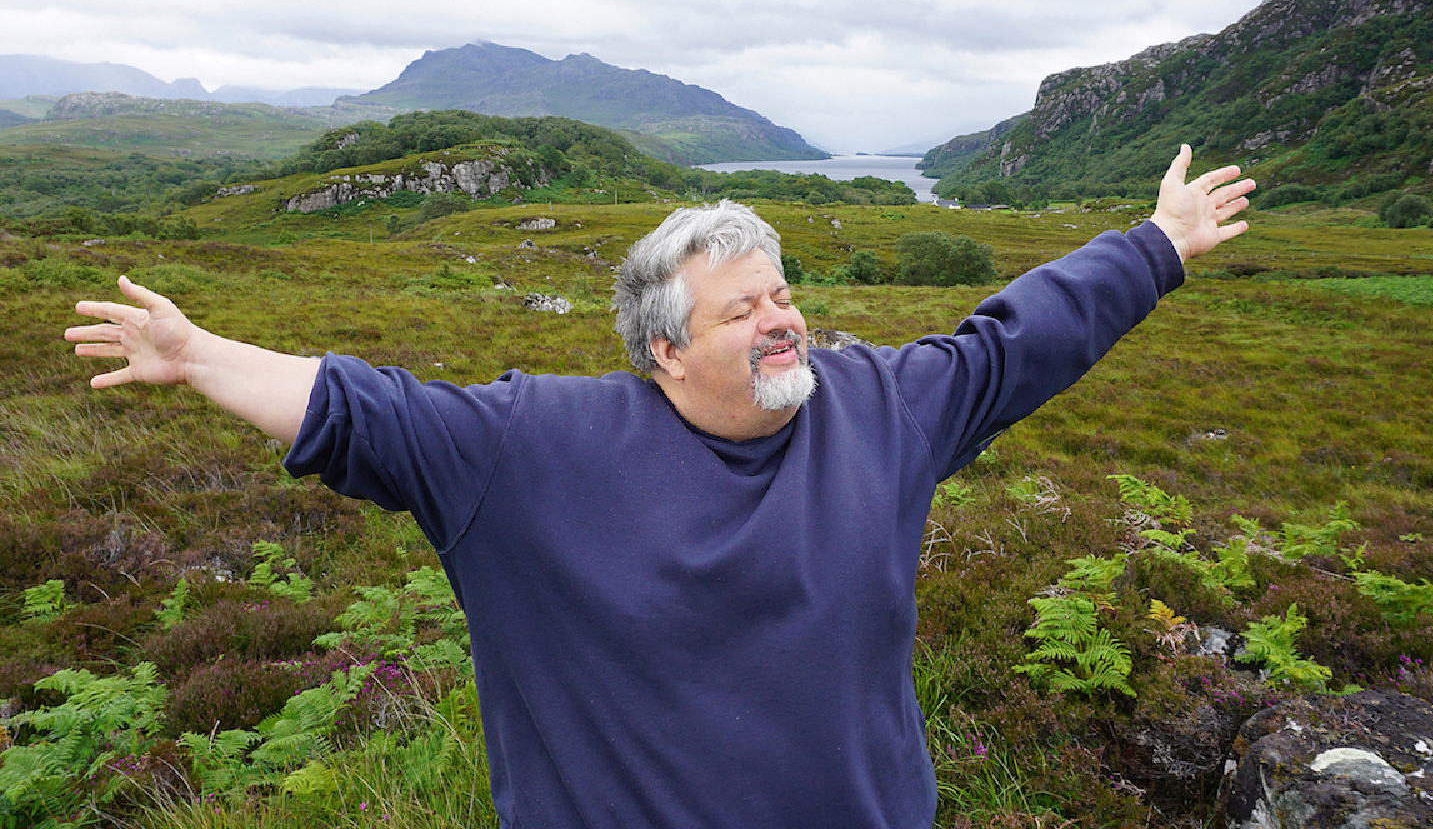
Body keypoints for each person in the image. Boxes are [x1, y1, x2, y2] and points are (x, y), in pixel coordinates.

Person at [67, 145, 1252, 829]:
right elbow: (365, 408)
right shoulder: (533, 447)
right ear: (665, 351)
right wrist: (199, 357)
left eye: (783, 295)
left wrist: (1154, 243)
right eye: (745, 310)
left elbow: (1014, 343)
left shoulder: (880, 406)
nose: (785, 321)